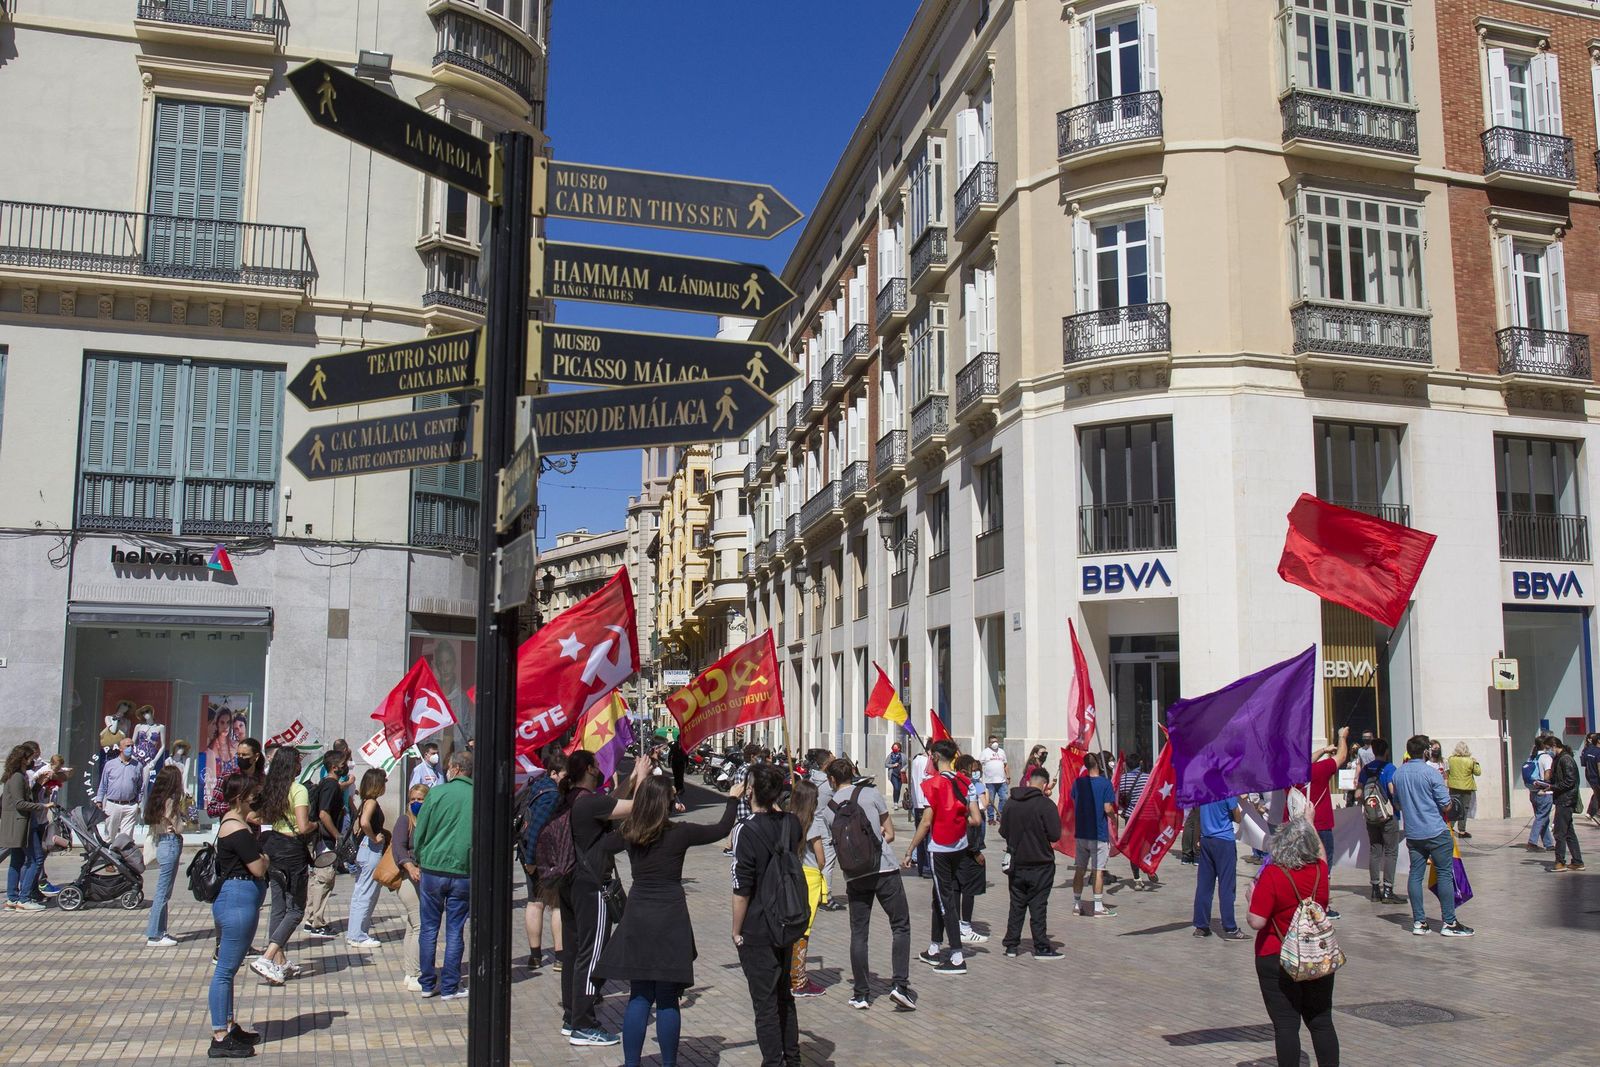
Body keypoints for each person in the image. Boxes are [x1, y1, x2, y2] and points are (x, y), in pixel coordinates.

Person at [594, 772, 740, 1067]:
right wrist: (733, 797)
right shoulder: (680, 833)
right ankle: (669, 1063)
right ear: (668, 803)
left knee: (639, 995)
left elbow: (602, 842)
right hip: (671, 914)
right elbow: (722, 827)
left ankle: (632, 1063)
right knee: (667, 997)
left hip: (638, 914)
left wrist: (630, 792)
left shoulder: (629, 833)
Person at [562, 750, 651, 1046]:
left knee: (575, 953)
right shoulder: (590, 803)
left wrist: (634, 775)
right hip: (591, 886)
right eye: (597, 766)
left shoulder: (574, 799)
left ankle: (571, 1016)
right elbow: (637, 808)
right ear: (589, 768)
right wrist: (644, 780)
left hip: (570, 883)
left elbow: (612, 800)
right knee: (592, 955)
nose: (600, 770)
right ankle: (584, 1025)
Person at [820, 757, 914, 1010]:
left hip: (854, 875)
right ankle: (900, 986)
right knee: (900, 925)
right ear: (853, 772)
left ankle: (861, 993)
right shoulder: (871, 794)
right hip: (884, 868)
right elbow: (890, 833)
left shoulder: (829, 809)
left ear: (831, 780)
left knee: (859, 933)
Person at [1245, 818, 1338, 1067]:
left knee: (1286, 1025)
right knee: (1321, 1022)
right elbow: (1322, 855)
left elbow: (1256, 921)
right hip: (1316, 956)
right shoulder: (1320, 870)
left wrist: (1250, 896)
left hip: (1276, 955)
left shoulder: (1274, 874)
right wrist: (1310, 823)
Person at [731, 762, 805, 1066]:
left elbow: (741, 887)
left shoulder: (745, 830)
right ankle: (793, 1058)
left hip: (758, 926)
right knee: (784, 996)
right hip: (787, 918)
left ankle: (773, 1061)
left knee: (765, 1004)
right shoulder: (793, 823)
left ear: (751, 790)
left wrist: (736, 930)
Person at [902, 738, 982, 974]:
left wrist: (909, 851)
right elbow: (976, 819)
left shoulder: (932, 785)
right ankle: (934, 947)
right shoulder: (966, 782)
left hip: (940, 849)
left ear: (935, 757)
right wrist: (958, 819)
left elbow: (926, 822)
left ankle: (956, 956)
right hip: (960, 846)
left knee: (946, 900)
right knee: (939, 897)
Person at [207, 773, 267, 1059]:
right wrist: (265, 858)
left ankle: (229, 1025)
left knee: (229, 969)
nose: (255, 798)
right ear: (240, 797)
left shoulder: (235, 824)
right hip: (237, 900)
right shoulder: (236, 829)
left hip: (236, 900)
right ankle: (220, 1035)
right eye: (252, 795)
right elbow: (257, 868)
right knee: (224, 971)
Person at [1391, 734, 1472, 937]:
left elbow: (1398, 803)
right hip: (1436, 831)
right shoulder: (1431, 774)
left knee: (1415, 874)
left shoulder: (1398, 774)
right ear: (1426, 751)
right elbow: (1446, 804)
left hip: (1413, 832)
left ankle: (1419, 921)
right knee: (1444, 874)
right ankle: (1449, 922)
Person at [247, 748, 313, 984]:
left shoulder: (272, 788)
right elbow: (304, 827)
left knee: (278, 905)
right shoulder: (298, 790)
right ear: (292, 765)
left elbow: (252, 817)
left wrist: (273, 819)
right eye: (297, 762)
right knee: (295, 909)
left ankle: (279, 962)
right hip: (293, 851)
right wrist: (315, 826)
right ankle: (267, 957)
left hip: (273, 847)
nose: (299, 766)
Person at [413, 750, 473, 999]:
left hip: (433, 869)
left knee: (428, 928)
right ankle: (449, 986)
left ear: (456, 769)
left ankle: (427, 983)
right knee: (455, 929)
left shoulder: (436, 793)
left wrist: (420, 857)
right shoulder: (478, 796)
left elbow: (420, 832)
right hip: (463, 870)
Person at [1282, 726, 1347, 919]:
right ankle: (1321, 906)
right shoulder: (1318, 771)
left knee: (1297, 865)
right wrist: (1342, 737)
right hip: (1319, 826)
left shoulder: (1288, 774)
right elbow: (1342, 757)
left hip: (1294, 827)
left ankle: (1299, 902)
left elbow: (1305, 762)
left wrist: (1323, 750)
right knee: (1322, 868)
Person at [999, 765, 1062, 960]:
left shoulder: (1011, 802)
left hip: (1017, 862)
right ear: (1044, 785)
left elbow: (1003, 831)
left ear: (1028, 782)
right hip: (1040, 862)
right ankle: (1041, 946)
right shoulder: (1046, 805)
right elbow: (1054, 834)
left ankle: (1011, 945)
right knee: (1038, 905)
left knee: (1017, 904)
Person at [519, 751, 566, 973]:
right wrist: (531, 860)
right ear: (554, 772)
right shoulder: (553, 795)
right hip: (543, 856)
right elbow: (537, 827)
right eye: (565, 774)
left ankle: (535, 956)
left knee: (534, 902)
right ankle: (560, 957)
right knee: (556, 905)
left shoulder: (536, 786)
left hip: (528, 853)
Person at [785, 777, 828, 1000]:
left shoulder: (787, 819)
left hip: (791, 874)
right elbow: (820, 857)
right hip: (809, 877)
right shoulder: (812, 822)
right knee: (804, 929)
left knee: (792, 926)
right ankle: (798, 979)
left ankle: (790, 974)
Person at [303, 747, 350, 938]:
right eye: (342, 764)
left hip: (321, 839)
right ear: (333, 767)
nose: (345, 767)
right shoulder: (330, 786)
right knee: (324, 879)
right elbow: (324, 813)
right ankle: (317, 923)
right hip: (326, 840)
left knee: (317, 880)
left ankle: (311, 918)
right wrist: (337, 834)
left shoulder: (327, 784)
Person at [390, 782, 429, 992]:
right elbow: (398, 847)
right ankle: (415, 974)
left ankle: (409, 971)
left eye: (420, 799)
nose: (415, 803)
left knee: (412, 926)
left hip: (423, 877)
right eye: (412, 799)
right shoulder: (405, 820)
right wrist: (410, 866)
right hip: (408, 878)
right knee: (420, 925)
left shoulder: (428, 820)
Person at [2, 744, 51, 912]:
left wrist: (39, 784)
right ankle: (24, 898)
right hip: (21, 823)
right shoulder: (16, 777)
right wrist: (42, 806)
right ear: (23, 759)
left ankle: (12, 898)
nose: (33, 761)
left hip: (21, 822)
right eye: (30, 758)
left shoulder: (18, 776)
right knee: (34, 860)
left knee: (16, 860)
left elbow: (25, 795)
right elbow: (20, 802)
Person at [1193, 796, 1248, 940]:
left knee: (1204, 885)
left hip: (1206, 839)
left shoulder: (1204, 791)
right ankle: (1230, 928)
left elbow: (1199, 815)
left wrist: (1197, 837)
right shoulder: (1227, 792)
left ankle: (1201, 926)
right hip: (1224, 840)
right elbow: (1237, 818)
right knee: (1227, 886)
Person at [345, 768, 389, 947]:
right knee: (366, 893)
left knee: (360, 893)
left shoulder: (366, 801)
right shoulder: (371, 802)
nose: (385, 784)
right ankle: (358, 935)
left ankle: (355, 932)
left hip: (364, 849)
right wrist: (374, 837)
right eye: (384, 781)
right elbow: (364, 823)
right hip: (370, 849)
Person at [1356, 737, 1403, 904]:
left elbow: (1358, 794)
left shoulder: (1366, 769)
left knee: (1375, 850)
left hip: (1371, 816)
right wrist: (1398, 805)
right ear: (1386, 751)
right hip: (1388, 816)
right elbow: (1392, 789)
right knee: (1390, 851)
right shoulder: (1390, 768)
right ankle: (1388, 889)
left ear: (1374, 751)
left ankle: (1375, 889)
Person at [1071, 752, 1118, 917]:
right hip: (1098, 833)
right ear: (1098, 764)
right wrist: (1114, 817)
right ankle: (1098, 906)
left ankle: (1077, 904)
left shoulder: (1078, 783)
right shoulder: (1105, 784)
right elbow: (1107, 808)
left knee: (1080, 869)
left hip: (1081, 832)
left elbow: (1075, 800)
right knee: (1098, 870)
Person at [951, 754, 989, 943]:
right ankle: (965, 926)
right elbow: (972, 823)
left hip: (952, 846)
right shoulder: (967, 787)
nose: (976, 772)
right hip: (966, 847)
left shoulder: (951, 784)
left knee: (957, 886)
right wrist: (976, 851)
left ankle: (958, 925)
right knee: (968, 888)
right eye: (973, 768)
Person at [1117, 752, 1159, 889]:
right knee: (1148, 845)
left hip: (1131, 817)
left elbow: (1120, 798)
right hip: (1147, 816)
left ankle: (1137, 879)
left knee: (1134, 846)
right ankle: (1149, 868)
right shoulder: (1148, 778)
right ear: (1140, 763)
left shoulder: (1123, 779)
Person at [95, 736, 144, 844]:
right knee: (109, 836)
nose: (130, 748)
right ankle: (108, 857)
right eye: (127, 746)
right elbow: (103, 784)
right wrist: (99, 800)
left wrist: (138, 802)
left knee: (126, 838)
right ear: (121, 748)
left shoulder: (138, 766)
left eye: (132, 746)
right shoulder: (110, 765)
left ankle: (122, 859)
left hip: (130, 806)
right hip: (113, 804)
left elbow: (140, 786)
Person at [1547, 737, 1586, 872]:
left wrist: (1553, 787)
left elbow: (1570, 781)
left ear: (1554, 746)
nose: (1548, 751)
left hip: (1566, 800)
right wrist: (1546, 784)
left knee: (1560, 832)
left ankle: (1560, 861)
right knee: (1569, 832)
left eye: (1548, 748)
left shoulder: (1566, 759)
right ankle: (1577, 861)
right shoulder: (1559, 759)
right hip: (1562, 798)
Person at [1444, 742, 1480, 838]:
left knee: (1453, 808)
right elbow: (1478, 772)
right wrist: (1476, 763)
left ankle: (1449, 827)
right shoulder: (1470, 761)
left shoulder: (1450, 759)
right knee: (1464, 809)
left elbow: (1446, 772)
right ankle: (1462, 831)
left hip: (1453, 787)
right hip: (1466, 788)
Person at [1525, 736, 1555, 851]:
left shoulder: (1531, 757)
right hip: (1544, 792)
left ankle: (1548, 843)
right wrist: (1548, 785)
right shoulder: (1546, 757)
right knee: (1541, 817)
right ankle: (1532, 842)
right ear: (1546, 745)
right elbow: (1547, 773)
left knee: (1544, 818)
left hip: (1533, 792)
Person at [906, 746, 931, 877]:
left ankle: (922, 867)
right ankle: (927, 867)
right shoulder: (927, 762)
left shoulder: (916, 760)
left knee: (920, 837)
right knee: (927, 837)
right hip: (926, 803)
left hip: (918, 803)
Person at [980, 736, 1009, 824]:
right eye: (992, 742)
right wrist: (980, 778)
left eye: (996, 741)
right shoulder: (985, 752)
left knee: (1004, 798)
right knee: (990, 800)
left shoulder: (1001, 752)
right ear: (989, 743)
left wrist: (1008, 776)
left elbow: (1006, 765)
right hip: (989, 781)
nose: (995, 743)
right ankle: (991, 818)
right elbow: (979, 765)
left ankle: (1000, 815)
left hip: (1002, 781)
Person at [1582, 733, 1600, 828]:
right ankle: (1596, 814)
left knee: (1597, 796)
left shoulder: (1589, 751)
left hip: (1591, 777)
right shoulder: (1598, 752)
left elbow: (1584, 764)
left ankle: (1594, 814)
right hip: (1596, 778)